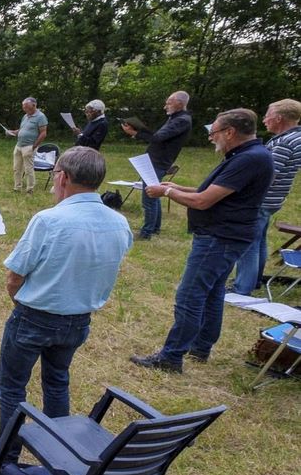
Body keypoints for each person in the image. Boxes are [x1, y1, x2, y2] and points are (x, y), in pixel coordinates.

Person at [0, 147, 133, 464]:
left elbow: (14, 277)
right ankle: (58, 453)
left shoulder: (49, 220)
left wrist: (24, 306)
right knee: (57, 381)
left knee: (13, 387)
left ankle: (5, 453)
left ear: (63, 177)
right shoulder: (119, 223)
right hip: (79, 320)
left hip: (34, 317)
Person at [131, 109, 274, 372]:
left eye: (214, 131)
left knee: (190, 295)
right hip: (226, 235)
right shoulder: (247, 156)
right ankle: (200, 346)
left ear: (230, 132)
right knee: (213, 292)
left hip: (219, 237)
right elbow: (205, 191)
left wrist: (166, 192)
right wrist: (171, 187)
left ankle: (171, 357)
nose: (211, 137)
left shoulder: (249, 159)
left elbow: (203, 201)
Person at [231, 99, 301, 295]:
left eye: (268, 115)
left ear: (279, 118)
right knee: (259, 239)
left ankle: (241, 288)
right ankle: (253, 281)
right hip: (273, 199)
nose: (264, 119)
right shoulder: (294, 137)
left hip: (261, 199)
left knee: (248, 242)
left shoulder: (284, 142)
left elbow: (268, 174)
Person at [121, 91, 192, 240]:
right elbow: (158, 136)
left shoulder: (182, 120)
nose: (165, 106)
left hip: (159, 161)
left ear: (180, 103)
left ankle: (146, 232)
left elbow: (158, 137)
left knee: (149, 196)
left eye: (169, 102)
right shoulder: (176, 118)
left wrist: (135, 132)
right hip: (155, 160)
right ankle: (155, 228)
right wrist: (138, 131)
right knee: (154, 195)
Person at [5, 97, 48, 193]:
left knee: (28, 169)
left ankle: (30, 189)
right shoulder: (25, 116)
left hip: (29, 146)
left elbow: (43, 133)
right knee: (16, 168)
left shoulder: (41, 117)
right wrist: (12, 132)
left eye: (27, 107)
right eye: (23, 107)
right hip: (19, 145)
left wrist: (34, 146)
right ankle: (17, 188)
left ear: (34, 105)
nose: (25, 109)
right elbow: (21, 130)